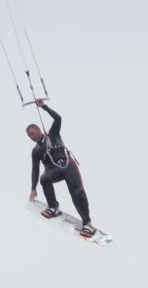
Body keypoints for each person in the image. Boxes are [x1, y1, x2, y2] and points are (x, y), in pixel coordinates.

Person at [26, 99, 96, 237]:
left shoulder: (53, 134)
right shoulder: (36, 150)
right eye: (29, 136)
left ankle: (88, 223)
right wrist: (33, 188)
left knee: (77, 194)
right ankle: (53, 207)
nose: (31, 137)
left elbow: (58, 118)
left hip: (68, 165)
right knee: (44, 178)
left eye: (32, 134)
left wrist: (44, 106)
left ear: (39, 130)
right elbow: (35, 170)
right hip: (54, 170)